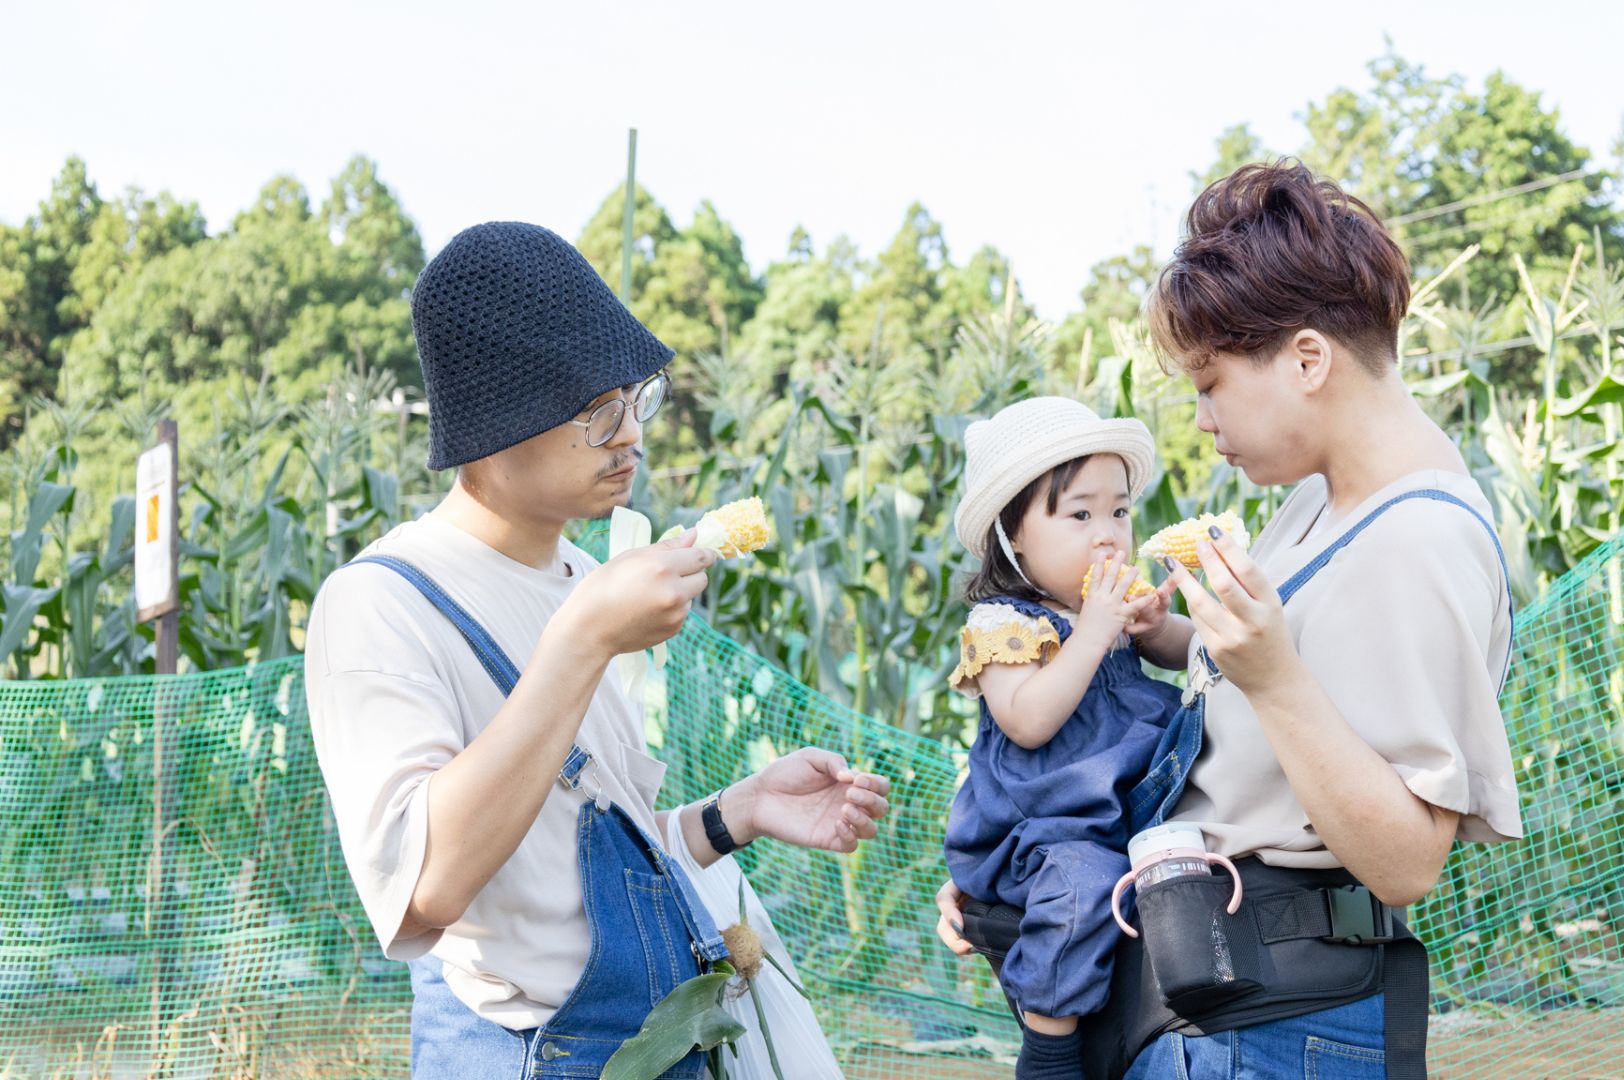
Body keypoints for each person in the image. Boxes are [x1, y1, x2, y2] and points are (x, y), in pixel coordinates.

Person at [937, 161, 1522, 1079]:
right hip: (1202, 1002)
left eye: (1211, 383)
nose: (1203, 422)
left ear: (1307, 359)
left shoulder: (1419, 539)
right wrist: (1013, 876)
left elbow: (1408, 861)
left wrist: (1275, 677)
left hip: (1274, 1024)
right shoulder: (1313, 509)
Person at [304, 221, 891, 1078]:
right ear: (491, 422)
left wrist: (739, 812)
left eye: (634, 401)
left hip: (650, 1044)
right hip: (527, 1053)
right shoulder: (381, 603)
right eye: (596, 413)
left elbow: (575, 863)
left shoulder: (581, 572)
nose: (631, 437)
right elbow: (426, 887)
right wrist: (580, 639)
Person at [942, 397, 1188, 1079]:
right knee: (1083, 885)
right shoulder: (1004, 621)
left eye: (1119, 511)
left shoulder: (1105, 606)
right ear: (1014, 533)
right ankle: (1049, 1047)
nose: (1108, 534)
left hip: (1120, 814)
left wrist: (1159, 626)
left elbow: (1197, 657)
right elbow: (1028, 720)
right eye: (1080, 515)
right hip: (1039, 833)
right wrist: (1099, 629)